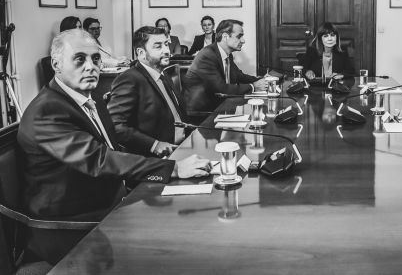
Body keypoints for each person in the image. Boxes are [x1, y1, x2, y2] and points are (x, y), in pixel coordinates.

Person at [17, 29, 210, 264]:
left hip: (110, 199)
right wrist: (174, 168)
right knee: (177, 250)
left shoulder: (90, 98)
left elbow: (113, 149)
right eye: (79, 59)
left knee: (191, 220)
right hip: (72, 223)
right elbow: (100, 160)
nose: (91, 67)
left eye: (96, 59)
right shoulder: (46, 112)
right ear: (56, 65)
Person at [108, 26, 186, 157]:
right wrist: (154, 145)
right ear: (141, 53)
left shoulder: (163, 73)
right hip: (155, 157)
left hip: (182, 146)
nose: (167, 50)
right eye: (158, 46)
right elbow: (115, 126)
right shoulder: (129, 79)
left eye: (166, 44)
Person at [184, 19, 267, 112]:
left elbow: (238, 75)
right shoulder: (207, 55)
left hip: (220, 104)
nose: (243, 41)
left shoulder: (227, 54)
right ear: (225, 37)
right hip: (203, 112)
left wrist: (260, 79)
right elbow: (221, 88)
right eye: (239, 36)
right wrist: (253, 86)